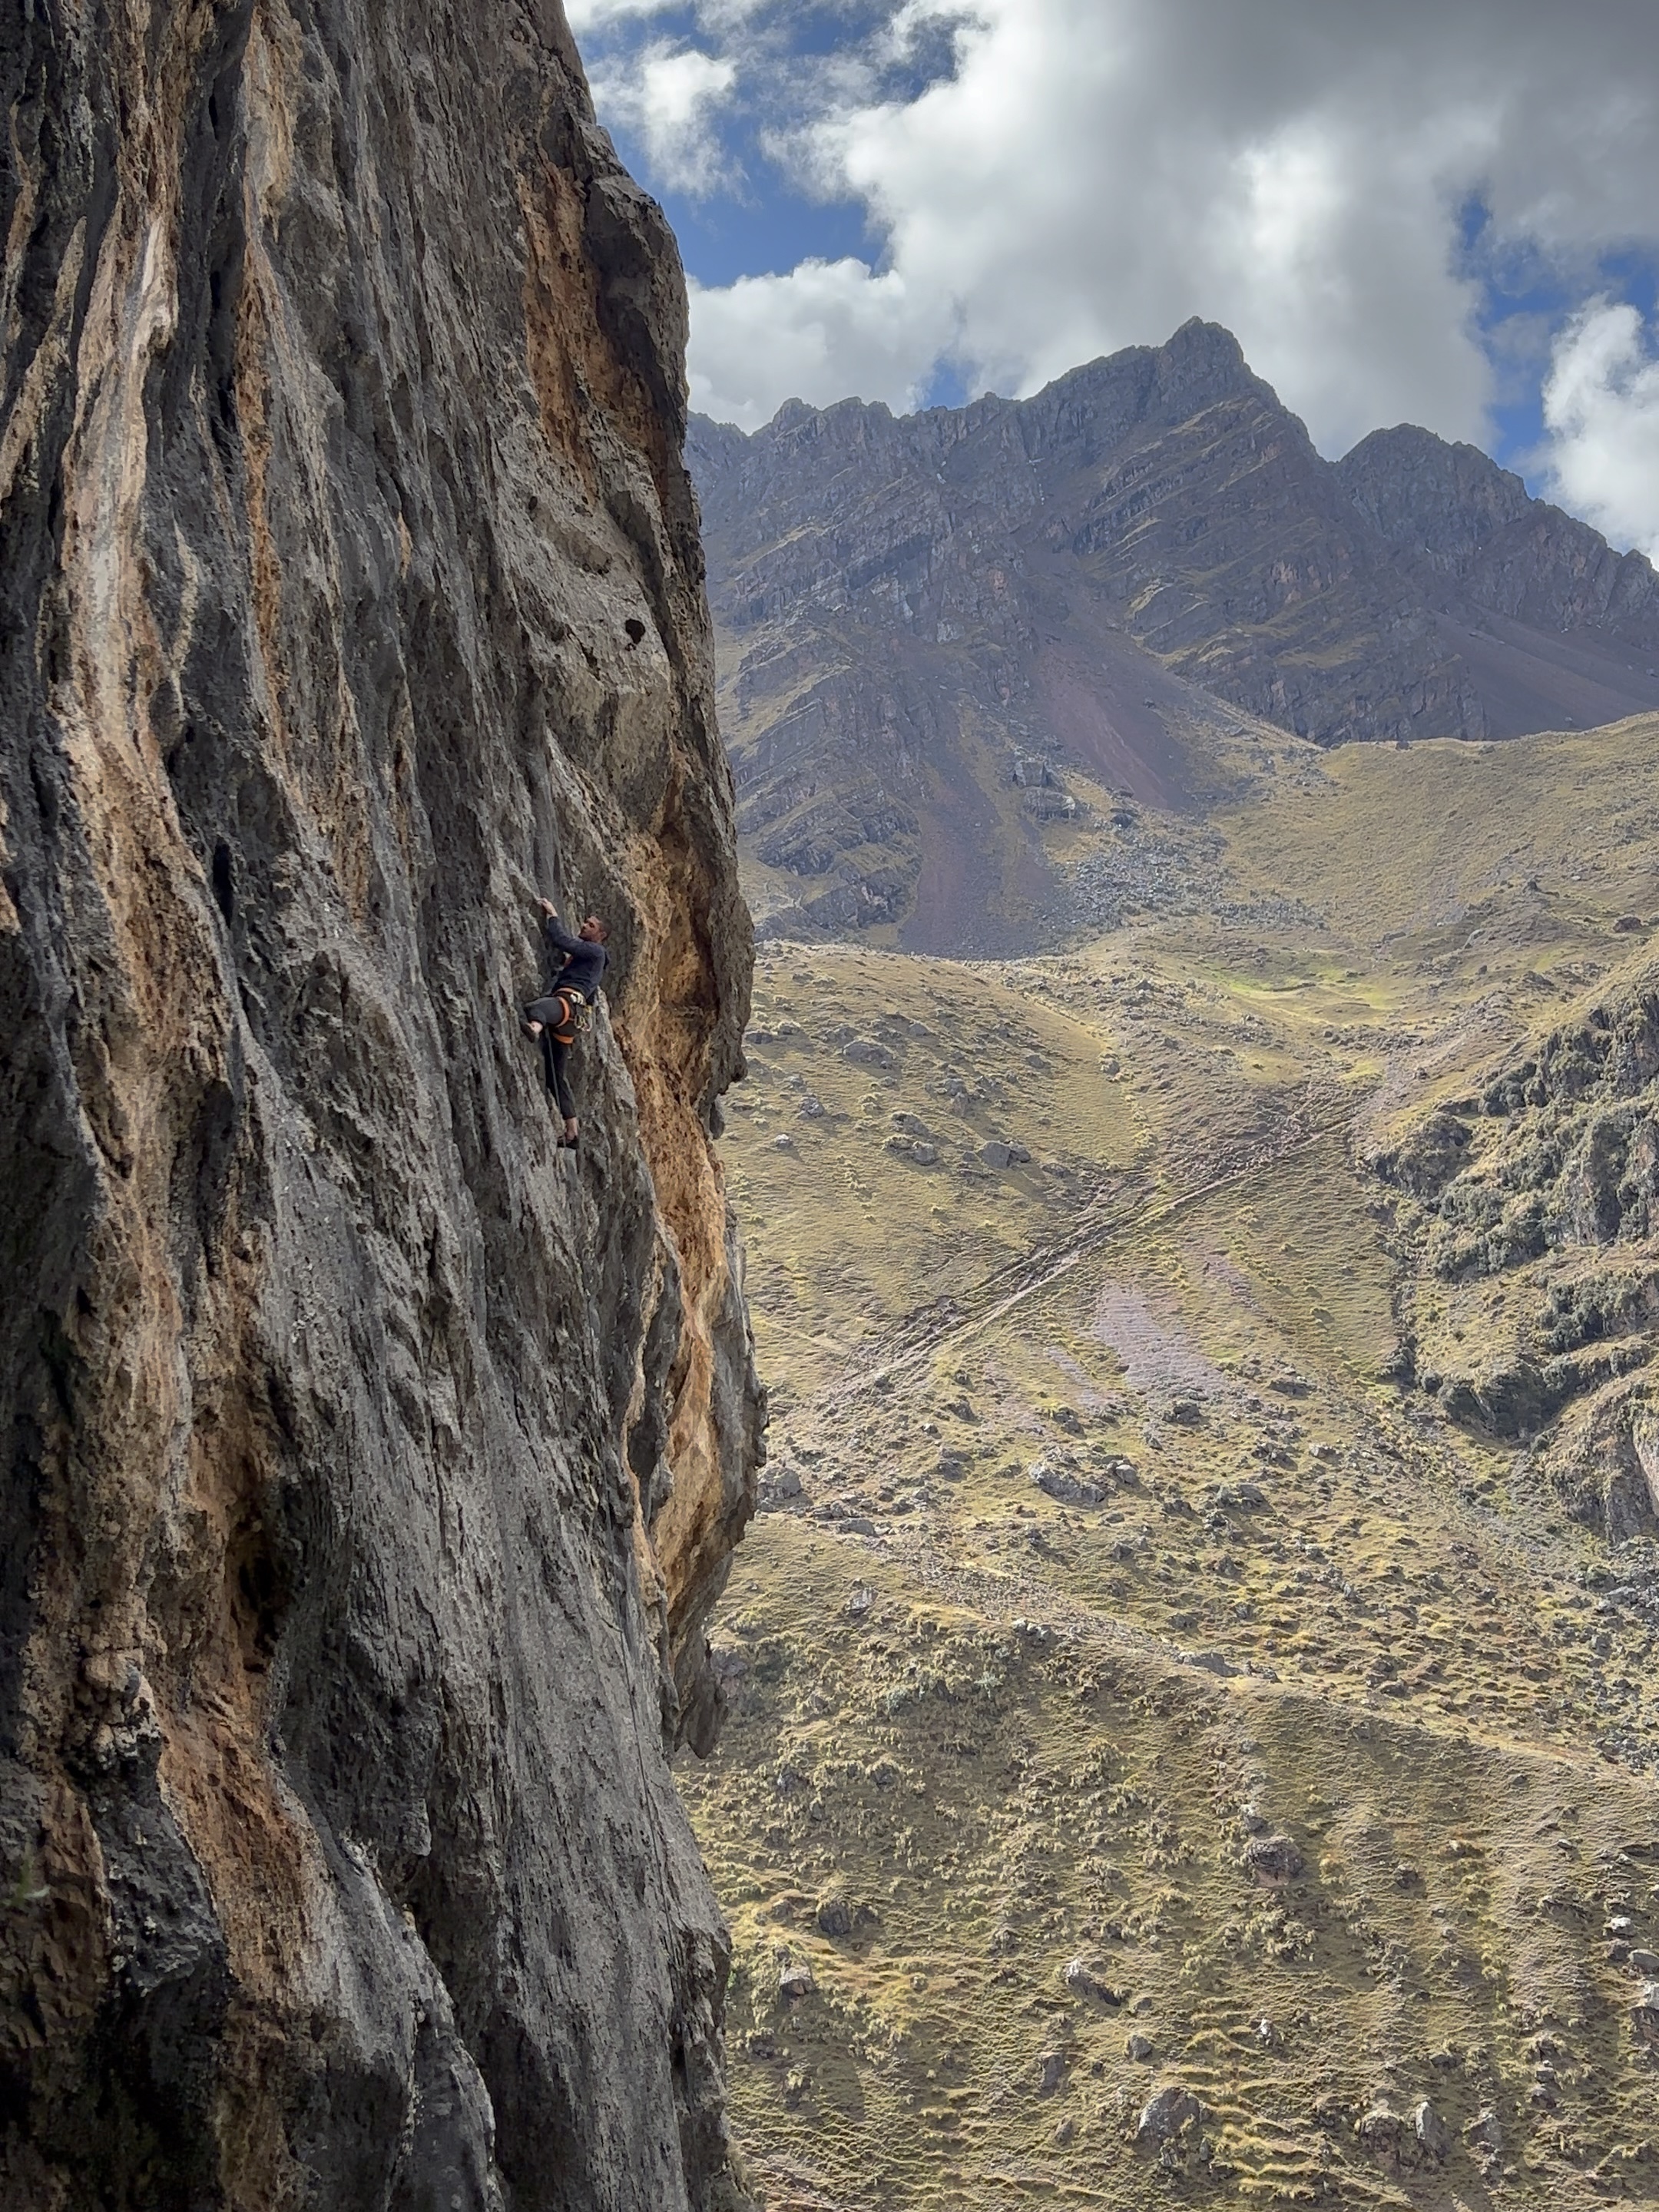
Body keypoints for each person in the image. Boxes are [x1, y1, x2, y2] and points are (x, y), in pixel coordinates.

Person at [522, 899, 608, 1147]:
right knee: (555, 1077)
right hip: (573, 1016)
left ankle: (534, 1028)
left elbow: (563, 941)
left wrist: (552, 916)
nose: (584, 925)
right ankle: (572, 1133)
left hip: (567, 1005)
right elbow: (590, 996)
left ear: (600, 935)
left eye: (590, 925)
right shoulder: (597, 965)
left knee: (536, 1008)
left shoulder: (595, 951)